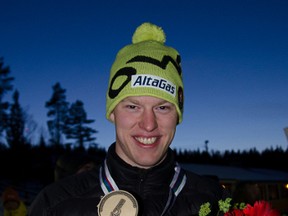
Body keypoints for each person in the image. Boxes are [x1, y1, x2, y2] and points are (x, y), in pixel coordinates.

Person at [28, 22, 230, 216]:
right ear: (112, 112)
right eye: (133, 107)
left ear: (177, 115)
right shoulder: (54, 205)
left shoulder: (216, 201)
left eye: (162, 107)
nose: (149, 124)